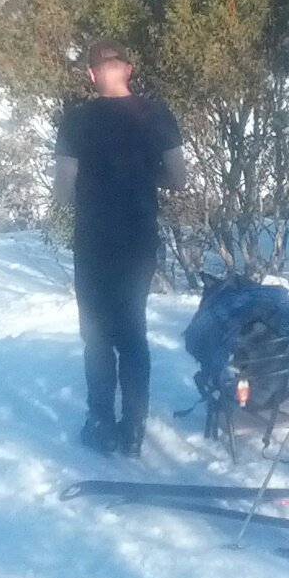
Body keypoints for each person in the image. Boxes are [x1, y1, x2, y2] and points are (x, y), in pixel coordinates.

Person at [53, 40, 188, 456]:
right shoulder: (157, 114)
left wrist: (93, 192)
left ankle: (100, 421)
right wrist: (146, 180)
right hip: (138, 239)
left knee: (96, 335)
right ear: (128, 70)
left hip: (93, 240)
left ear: (92, 75)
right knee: (133, 333)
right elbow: (179, 178)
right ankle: (133, 429)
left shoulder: (75, 120)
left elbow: (62, 190)